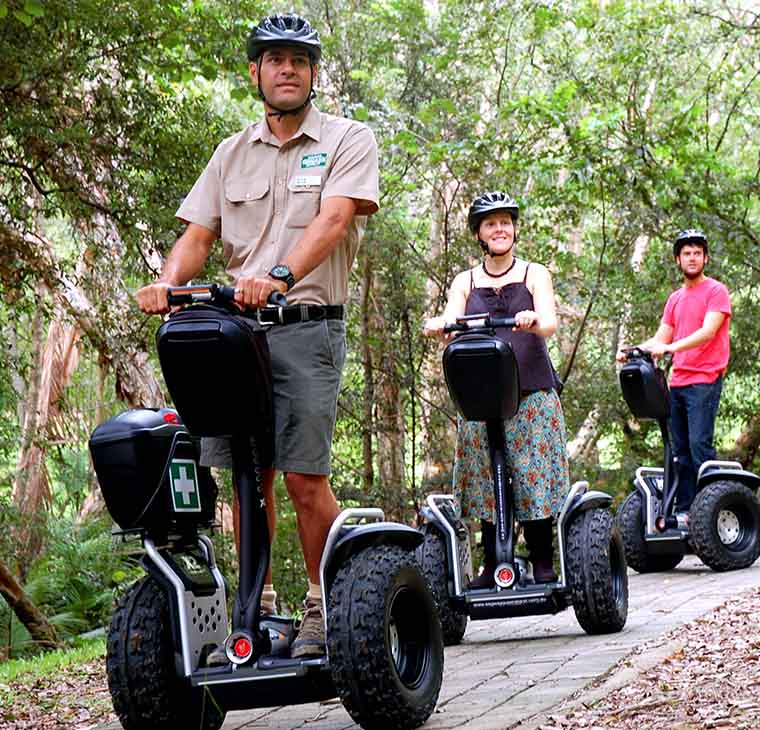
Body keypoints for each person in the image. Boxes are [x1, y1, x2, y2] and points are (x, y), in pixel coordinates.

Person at [135, 13, 379, 660]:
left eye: (299, 59)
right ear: (256, 72)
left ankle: (325, 608)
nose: (287, 69)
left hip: (304, 327)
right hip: (234, 336)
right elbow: (196, 237)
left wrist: (277, 275)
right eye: (275, 59)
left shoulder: (347, 139)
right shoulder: (230, 153)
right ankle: (257, 608)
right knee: (249, 474)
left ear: (313, 72)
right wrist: (166, 284)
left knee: (304, 476)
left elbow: (333, 220)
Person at [422, 191, 567, 586]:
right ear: (479, 234)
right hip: (481, 392)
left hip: (530, 388)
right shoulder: (464, 281)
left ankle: (541, 559)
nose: (499, 229)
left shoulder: (534, 273)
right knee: (486, 473)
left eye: (505, 222)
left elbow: (550, 322)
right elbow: (451, 318)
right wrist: (441, 325)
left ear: (515, 228)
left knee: (530, 472)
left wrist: (532, 319)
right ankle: (491, 565)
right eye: (490, 223)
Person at [620, 229, 731, 525]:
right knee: (678, 451)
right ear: (677, 260)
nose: (692, 258)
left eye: (697, 253)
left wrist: (669, 348)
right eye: (686, 254)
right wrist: (633, 351)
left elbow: (708, 332)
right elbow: (661, 337)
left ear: (705, 258)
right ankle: (685, 511)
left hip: (705, 379)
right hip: (678, 382)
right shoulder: (675, 299)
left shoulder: (716, 291)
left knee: (699, 446)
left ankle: (711, 510)